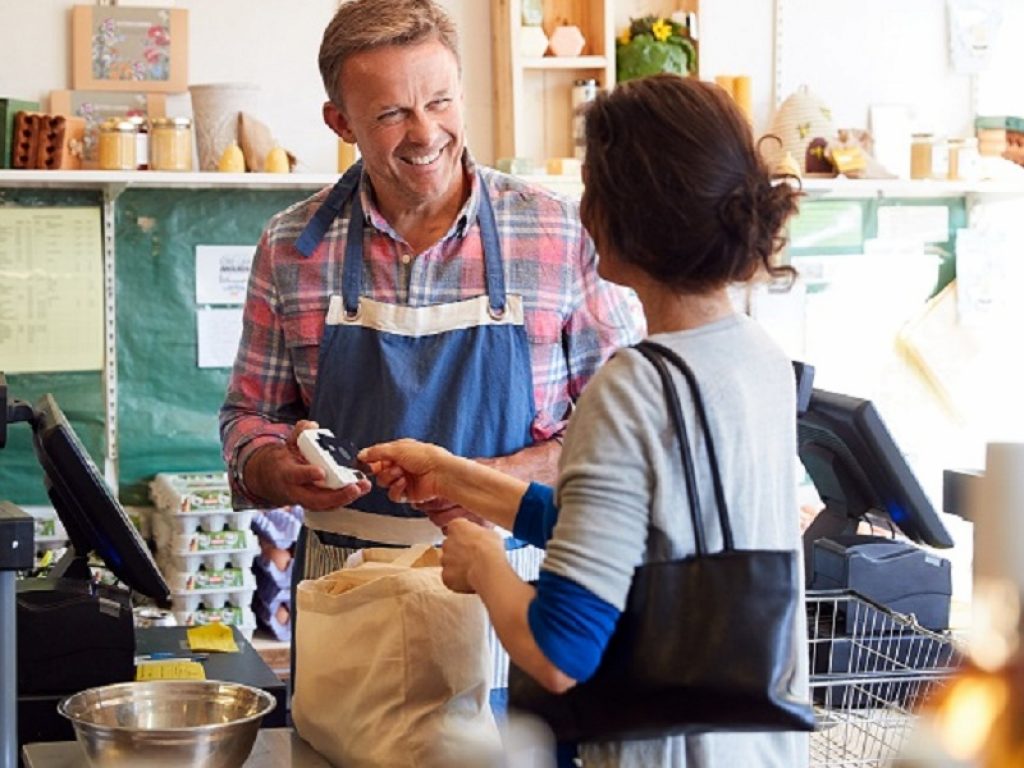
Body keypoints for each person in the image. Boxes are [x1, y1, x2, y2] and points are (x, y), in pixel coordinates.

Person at [360, 74, 809, 767]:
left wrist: (482, 563)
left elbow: (558, 653)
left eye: (592, 185)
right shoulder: (758, 356)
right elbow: (640, 540)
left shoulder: (633, 386)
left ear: (621, 213)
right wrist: (454, 476)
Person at [218, 0, 640, 692]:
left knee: (511, 744)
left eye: (440, 102)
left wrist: (482, 483)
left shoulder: (559, 233)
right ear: (340, 123)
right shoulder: (292, 247)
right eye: (391, 114)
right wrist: (272, 467)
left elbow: (621, 435)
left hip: (515, 595)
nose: (425, 133)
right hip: (347, 599)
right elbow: (249, 416)